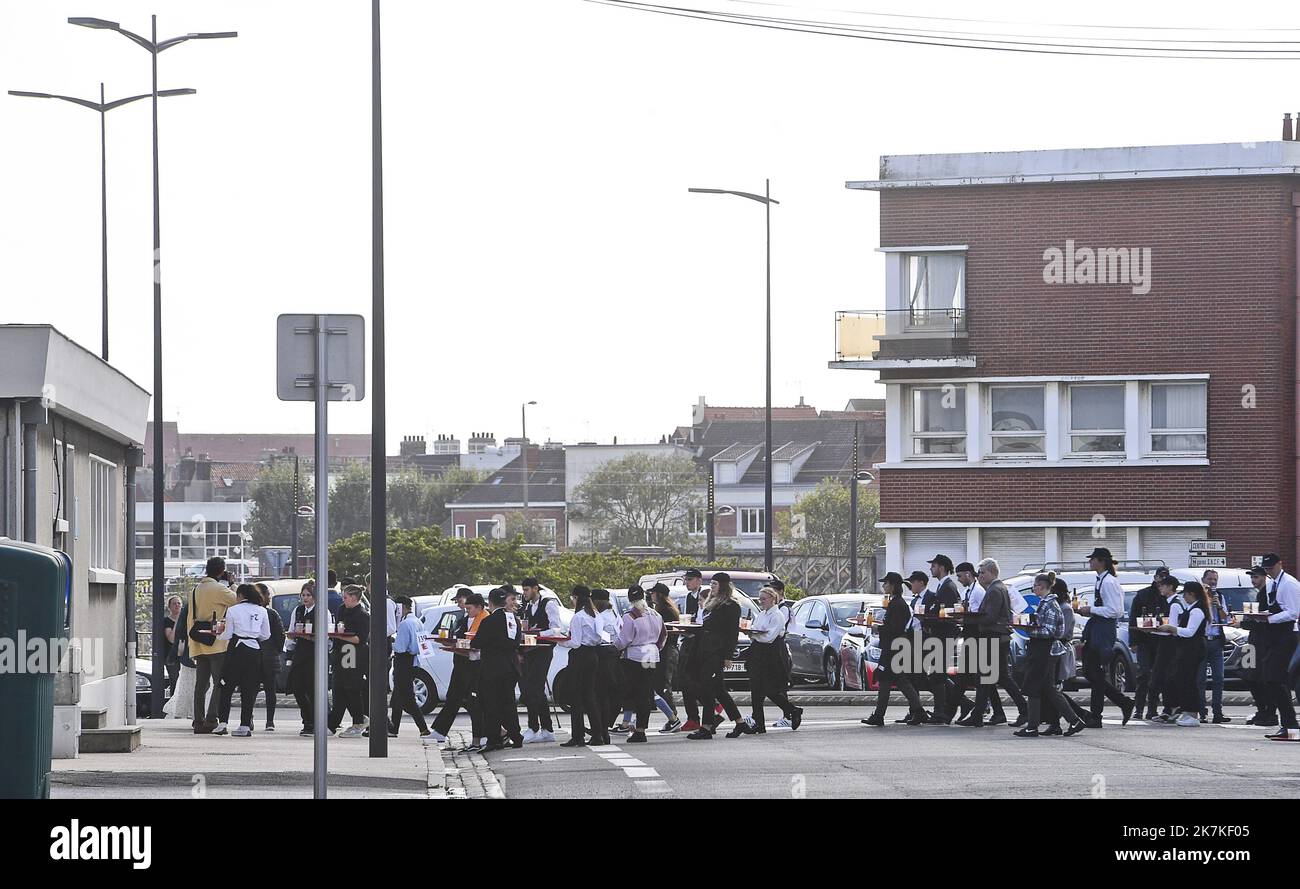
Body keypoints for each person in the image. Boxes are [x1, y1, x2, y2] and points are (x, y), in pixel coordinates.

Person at [1015, 573, 1085, 739]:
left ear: (1041, 586)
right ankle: (1073, 720)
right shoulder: (1046, 603)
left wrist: (1029, 630)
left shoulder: (1050, 605)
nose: (1034, 588)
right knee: (1048, 688)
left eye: (1035, 586)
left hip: (1046, 652)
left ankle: (1033, 727)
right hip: (1043, 650)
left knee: (1035, 686)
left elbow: (1050, 631)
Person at [1241, 554, 1300, 742]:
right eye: (1266, 569)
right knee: (1271, 677)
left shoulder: (1288, 584)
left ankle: (1291, 726)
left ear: (1280, 564)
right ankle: (1289, 725)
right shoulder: (1273, 584)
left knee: (1273, 677)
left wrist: (1269, 618)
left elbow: (1293, 612)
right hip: (1275, 634)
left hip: (1287, 633)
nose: (1268, 571)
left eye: (1271, 568)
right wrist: (1262, 615)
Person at [961, 558, 1026, 728]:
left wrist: (968, 618)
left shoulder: (995, 590)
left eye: (982, 573)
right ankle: (994, 713)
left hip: (994, 637)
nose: (980, 576)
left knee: (990, 676)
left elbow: (990, 616)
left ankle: (1023, 710)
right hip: (996, 637)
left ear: (992, 572)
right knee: (991, 677)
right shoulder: (996, 588)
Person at [1075, 547, 1135, 725]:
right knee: (1093, 673)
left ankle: (1098, 714)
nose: (1090, 562)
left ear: (1101, 561)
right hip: (1098, 627)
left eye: (1093, 559)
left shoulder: (1109, 582)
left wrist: (1091, 609)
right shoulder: (1102, 581)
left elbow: (1116, 610)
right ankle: (1121, 702)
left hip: (1104, 630)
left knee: (1096, 672)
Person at [862, 572, 926, 726]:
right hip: (894, 647)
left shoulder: (898, 604)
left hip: (893, 648)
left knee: (887, 680)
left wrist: (878, 628)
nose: (883, 586)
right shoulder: (895, 603)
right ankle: (918, 711)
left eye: (886, 583)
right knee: (899, 680)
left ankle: (880, 715)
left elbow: (895, 629)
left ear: (892, 585)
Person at [738, 586, 802, 735]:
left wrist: (754, 635)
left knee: (770, 689)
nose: (761, 602)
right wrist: (751, 633)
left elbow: (769, 637)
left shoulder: (777, 615)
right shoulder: (761, 614)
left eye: (764, 599)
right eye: (760, 600)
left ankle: (792, 709)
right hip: (757, 652)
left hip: (770, 654)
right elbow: (756, 630)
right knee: (755, 689)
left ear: (773, 599)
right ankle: (759, 724)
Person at [687, 573, 744, 740]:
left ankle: (706, 727)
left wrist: (728, 656)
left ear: (723, 586)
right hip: (705, 649)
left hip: (717, 652)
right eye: (711, 583)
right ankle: (740, 723)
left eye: (715, 584)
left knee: (709, 688)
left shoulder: (731, 605)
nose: (711, 586)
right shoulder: (711, 603)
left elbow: (732, 633)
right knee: (719, 690)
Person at [429, 589, 487, 746]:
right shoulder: (465, 618)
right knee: (456, 697)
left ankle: (487, 732)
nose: (460, 605)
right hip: (461, 662)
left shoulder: (483, 618)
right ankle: (440, 730)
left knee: (470, 700)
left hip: (473, 663)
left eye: (461, 601)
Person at [188, 557, 238, 734]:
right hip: (217, 642)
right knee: (219, 683)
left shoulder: (196, 589)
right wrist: (231, 583)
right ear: (221, 571)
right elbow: (237, 600)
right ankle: (211, 719)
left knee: (200, 685)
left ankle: (198, 720)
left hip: (199, 641)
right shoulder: (220, 589)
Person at [215, 584, 271, 737]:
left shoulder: (233, 610)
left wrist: (217, 635)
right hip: (254, 651)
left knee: (226, 687)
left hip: (237, 649)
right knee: (249, 689)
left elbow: (228, 634)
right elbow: (266, 634)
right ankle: (245, 725)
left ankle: (223, 723)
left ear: (240, 596)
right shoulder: (262, 610)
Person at [472, 586, 525, 751]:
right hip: (511, 666)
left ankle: (494, 739)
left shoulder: (489, 621)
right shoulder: (514, 620)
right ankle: (516, 735)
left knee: (491, 704)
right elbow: (517, 642)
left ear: (490, 602)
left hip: (493, 668)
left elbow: (477, 643)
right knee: (508, 703)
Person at [1153, 579, 1210, 727]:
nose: (1183, 597)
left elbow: (1190, 632)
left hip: (1193, 648)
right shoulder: (1192, 608)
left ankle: (1192, 712)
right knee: (1182, 679)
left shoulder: (1197, 610)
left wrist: (1172, 629)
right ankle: (1185, 710)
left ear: (1192, 594)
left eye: (1185, 594)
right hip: (1187, 648)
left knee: (1188, 680)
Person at [613, 586, 665, 743]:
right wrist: (655, 648)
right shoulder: (656, 614)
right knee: (646, 692)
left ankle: (635, 728)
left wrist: (615, 647)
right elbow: (663, 636)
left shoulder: (630, 616)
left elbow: (624, 640)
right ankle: (641, 728)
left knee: (634, 693)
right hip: (652, 655)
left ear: (630, 600)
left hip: (635, 657)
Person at [381, 595, 436, 742]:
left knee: (407, 699)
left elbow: (400, 647)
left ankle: (423, 728)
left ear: (401, 607)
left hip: (404, 662)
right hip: (414, 662)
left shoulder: (405, 625)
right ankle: (394, 728)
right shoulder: (417, 621)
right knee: (397, 698)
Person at [560, 585, 606, 747]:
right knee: (589, 696)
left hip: (579, 656)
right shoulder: (596, 615)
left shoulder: (578, 617)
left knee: (576, 697)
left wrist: (559, 640)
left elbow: (575, 642)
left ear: (577, 598)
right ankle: (598, 733)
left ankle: (578, 735)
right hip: (593, 655)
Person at [519, 577, 562, 743]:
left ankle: (533, 727)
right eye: (523, 590)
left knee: (533, 688)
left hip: (544, 650)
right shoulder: (529, 606)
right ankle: (547, 729)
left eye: (526, 590)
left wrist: (539, 634)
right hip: (530, 650)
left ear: (535, 588)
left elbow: (556, 628)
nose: (524, 593)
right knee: (535, 689)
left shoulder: (549, 603)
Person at [921, 554, 962, 724]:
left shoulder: (947, 587)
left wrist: (929, 619)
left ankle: (941, 712)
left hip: (944, 636)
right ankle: (957, 706)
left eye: (934, 566)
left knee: (938, 674)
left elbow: (947, 614)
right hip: (941, 635)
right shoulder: (943, 586)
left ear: (942, 568)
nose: (931, 569)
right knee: (937, 674)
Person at [328, 585, 370, 738]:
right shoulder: (341, 609)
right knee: (338, 688)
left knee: (351, 688)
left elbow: (360, 639)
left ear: (353, 598)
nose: (343, 599)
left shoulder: (363, 615)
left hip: (352, 654)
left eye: (345, 597)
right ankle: (332, 724)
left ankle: (358, 721)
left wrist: (340, 636)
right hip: (340, 652)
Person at [1128, 567, 1169, 721]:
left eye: (1165, 577)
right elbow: (1133, 618)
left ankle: (1152, 709)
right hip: (1144, 640)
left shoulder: (1168, 596)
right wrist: (1133, 641)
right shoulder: (1143, 594)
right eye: (1160, 577)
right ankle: (1138, 708)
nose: (1162, 580)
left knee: (1158, 677)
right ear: (1155, 577)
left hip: (1161, 641)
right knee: (1143, 674)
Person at [1242, 567, 1277, 726]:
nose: (1253, 580)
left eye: (1256, 577)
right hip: (1254, 642)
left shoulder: (1267, 594)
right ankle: (1262, 710)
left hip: (1262, 643)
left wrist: (1244, 622)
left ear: (1264, 577)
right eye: (1252, 578)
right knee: (1251, 677)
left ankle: (1268, 713)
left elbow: (1263, 620)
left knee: (1260, 679)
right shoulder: (1260, 594)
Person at [648, 583, 684, 733]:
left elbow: (663, 632)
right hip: (666, 650)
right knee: (660, 684)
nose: (651, 595)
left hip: (667, 650)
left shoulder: (664, 611)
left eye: (653, 593)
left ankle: (673, 717)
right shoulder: (664, 609)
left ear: (659, 595)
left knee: (663, 685)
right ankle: (672, 717)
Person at [249, 583, 285, 732]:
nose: (269, 597)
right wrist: (276, 649)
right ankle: (270, 721)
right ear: (261, 596)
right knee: (270, 690)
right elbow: (280, 635)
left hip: (253, 655)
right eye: (267, 594)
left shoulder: (250, 612)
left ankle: (248, 718)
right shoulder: (271, 614)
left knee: (250, 689)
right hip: (269, 656)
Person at [1196, 569, 1231, 723]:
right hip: (1202, 640)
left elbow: (1225, 618)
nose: (1212, 582)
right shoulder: (1198, 596)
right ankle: (1201, 711)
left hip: (1216, 640)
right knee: (1200, 679)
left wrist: (1218, 606)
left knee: (1219, 677)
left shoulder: (1220, 596)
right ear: (1203, 580)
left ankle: (1218, 712)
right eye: (1210, 579)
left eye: (1215, 579)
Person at [286, 582, 320, 735]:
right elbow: (292, 629)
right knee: (297, 687)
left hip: (314, 651)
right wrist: (291, 639)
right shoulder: (298, 610)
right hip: (300, 650)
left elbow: (325, 636)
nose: (305, 598)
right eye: (303, 595)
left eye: (308, 595)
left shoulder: (321, 611)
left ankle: (313, 721)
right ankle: (306, 718)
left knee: (311, 688)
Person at [677, 569, 706, 731]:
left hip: (700, 643)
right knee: (685, 679)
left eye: (689, 579)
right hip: (689, 640)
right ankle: (693, 717)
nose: (686, 582)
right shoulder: (689, 597)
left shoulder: (705, 596)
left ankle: (711, 707)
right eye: (685, 579)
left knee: (693, 680)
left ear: (698, 581)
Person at [592, 588, 623, 735]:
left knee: (602, 693)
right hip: (615, 652)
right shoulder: (614, 614)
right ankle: (604, 725)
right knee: (611, 692)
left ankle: (602, 726)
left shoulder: (601, 617)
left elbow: (597, 637)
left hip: (605, 654)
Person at [163, 595, 182, 696]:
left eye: (179, 603)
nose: (177, 605)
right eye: (174, 603)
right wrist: (177, 622)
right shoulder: (166, 621)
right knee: (174, 679)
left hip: (183, 654)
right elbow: (171, 638)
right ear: (169, 607)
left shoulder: (185, 620)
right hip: (171, 656)